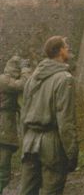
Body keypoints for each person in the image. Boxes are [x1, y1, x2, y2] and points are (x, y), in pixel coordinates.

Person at [19, 36, 78, 195]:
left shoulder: (31, 80)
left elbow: (24, 115)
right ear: (60, 51)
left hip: (30, 142)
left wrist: (24, 141)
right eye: (66, 46)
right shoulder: (65, 79)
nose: (68, 49)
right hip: (51, 144)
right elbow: (66, 121)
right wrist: (72, 153)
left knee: (26, 191)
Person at [0, 56, 31, 194]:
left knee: (4, 170)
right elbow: (23, 84)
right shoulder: (4, 79)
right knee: (3, 170)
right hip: (4, 129)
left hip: (6, 129)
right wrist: (25, 70)